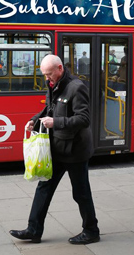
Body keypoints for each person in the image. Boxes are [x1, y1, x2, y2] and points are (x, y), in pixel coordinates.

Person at [9, 55, 100, 245]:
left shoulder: (77, 87)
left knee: (81, 193)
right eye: (44, 75)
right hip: (57, 147)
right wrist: (34, 120)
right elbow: (49, 109)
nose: (47, 79)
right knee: (44, 187)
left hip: (75, 151)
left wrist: (55, 123)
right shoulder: (53, 84)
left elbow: (84, 119)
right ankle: (33, 230)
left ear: (60, 68)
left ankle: (91, 230)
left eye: (49, 74)